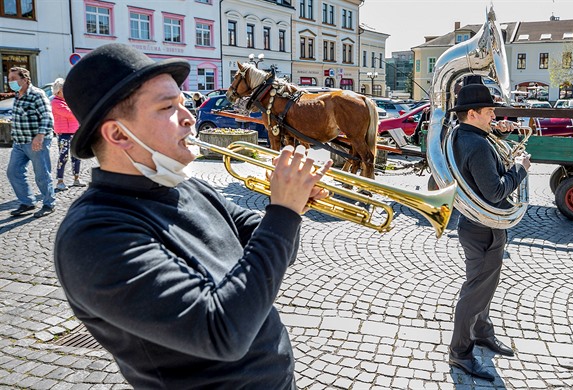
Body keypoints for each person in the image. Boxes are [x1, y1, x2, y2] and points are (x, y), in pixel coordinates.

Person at [54, 43, 332, 389]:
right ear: (117, 134)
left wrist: (295, 204)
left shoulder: (186, 187)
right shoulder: (93, 236)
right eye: (168, 107)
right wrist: (283, 210)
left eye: (184, 103)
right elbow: (223, 333)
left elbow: (278, 249)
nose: (189, 117)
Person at [447, 84, 530, 381]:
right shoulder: (478, 145)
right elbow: (495, 191)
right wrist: (520, 168)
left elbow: (483, 158)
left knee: (484, 287)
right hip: (485, 229)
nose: (495, 115)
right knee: (474, 294)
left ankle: (482, 332)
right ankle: (460, 353)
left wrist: (500, 132)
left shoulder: (461, 134)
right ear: (472, 113)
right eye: (490, 111)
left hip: (477, 226)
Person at [7, 67, 56, 218]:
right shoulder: (17, 95)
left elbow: (47, 117)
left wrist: (40, 136)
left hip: (36, 142)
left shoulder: (37, 94)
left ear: (25, 79)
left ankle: (49, 204)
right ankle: (27, 202)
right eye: (9, 79)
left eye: (14, 78)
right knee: (13, 172)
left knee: (42, 175)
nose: (11, 82)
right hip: (19, 142)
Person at [50, 77, 85, 191]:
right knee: (63, 157)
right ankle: (60, 181)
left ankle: (76, 178)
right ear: (59, 90)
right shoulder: (55, 102)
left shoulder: (68, 101)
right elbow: (70, 113)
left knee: (76, 156)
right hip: (64, 133)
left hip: (75, 132)